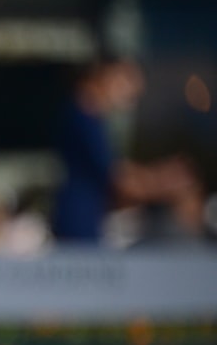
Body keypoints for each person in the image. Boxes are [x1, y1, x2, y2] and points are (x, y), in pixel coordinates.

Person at [52, 57, 203, 244]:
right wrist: (164, 181)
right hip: (79, 226)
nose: (130, 94)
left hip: (87, 221)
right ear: (105, 75)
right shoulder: (83, 118)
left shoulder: (90, 120)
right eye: (127, 82)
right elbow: (119, 180)